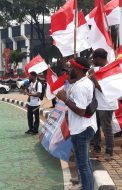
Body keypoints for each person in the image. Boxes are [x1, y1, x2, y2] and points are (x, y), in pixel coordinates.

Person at [56, 57, 97, 190]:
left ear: (79, 69)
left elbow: (80, 111)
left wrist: (65, 99)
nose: (70, 69)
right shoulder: (84, 82)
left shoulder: (80, 86)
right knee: (84, 163)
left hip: (82, 130)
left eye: (72, 67)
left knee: (83, 165)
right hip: (84, 127)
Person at [90, 49, 118, 161]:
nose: (93, 61)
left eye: (94, 59)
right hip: (98, 104)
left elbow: (106, 90)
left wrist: (94, 80)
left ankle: (109, 151)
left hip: (107, 104)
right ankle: (96, 148)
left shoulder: (110, 70)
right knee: (95, 127)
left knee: (106, 129)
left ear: (99, 59)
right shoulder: (98, 69)